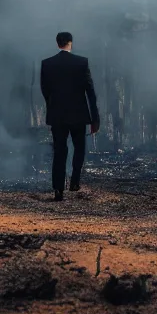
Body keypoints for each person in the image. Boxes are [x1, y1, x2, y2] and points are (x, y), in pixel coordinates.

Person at [40, 32, 100, 201]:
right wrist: (94, 118)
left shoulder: (47, 64)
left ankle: (58, 189)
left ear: (57, 43)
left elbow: (45, 90)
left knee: (59, 150)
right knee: (79, 147)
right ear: (70, 43)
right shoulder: (81, 63)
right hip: (78, 115)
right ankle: (74, 181)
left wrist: (52, 106)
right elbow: (90, 92)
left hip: (58, 115)